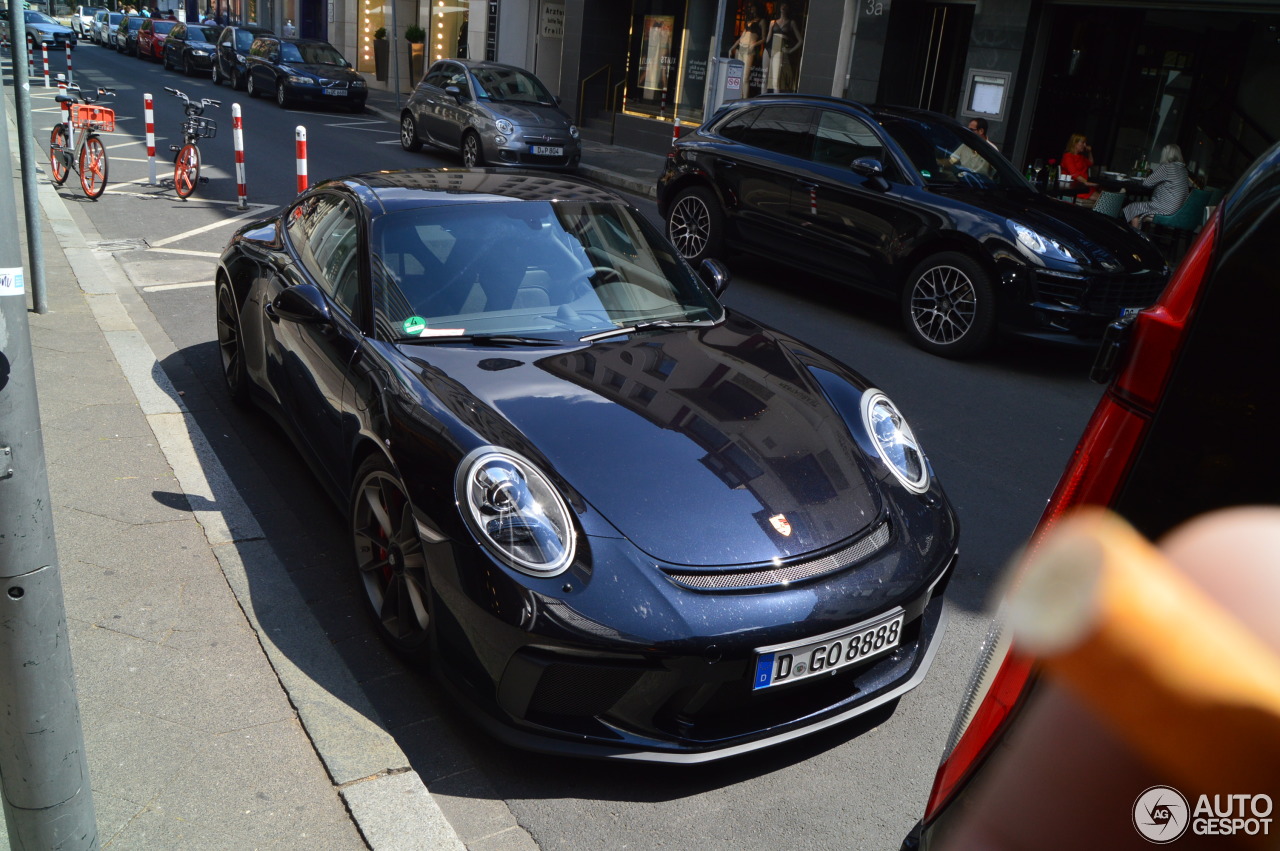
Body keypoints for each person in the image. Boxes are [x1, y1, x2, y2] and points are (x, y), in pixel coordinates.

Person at [1122, 144, 1192, 230]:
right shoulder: (1183, 170)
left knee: (1132, 207)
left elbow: (1146, 183)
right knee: (1140, 210)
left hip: (1165, 208)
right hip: (1178, 209)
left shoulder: (1166, 167)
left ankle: (1133, 238)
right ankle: (1142, 233)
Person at [728, 3, 764, 98]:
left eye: (753, 7)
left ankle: (745, 101)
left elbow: (764, 38)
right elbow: (741, 36)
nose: (751, 9)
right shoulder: (749, 21)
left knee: (745, 78)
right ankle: (738, 97)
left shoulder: (761, 21)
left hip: (749, 48)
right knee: (738, 77)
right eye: (750, 8)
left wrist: (754, 45)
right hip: (741, 47)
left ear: (757, 8)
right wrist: (733, 47)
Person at [764, 3, 802, 93]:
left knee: (775, 80)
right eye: (782, 5)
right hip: (769, 48)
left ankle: (775, 103)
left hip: (779, 50)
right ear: (779, 8)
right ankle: (762, 101)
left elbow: (800, 41)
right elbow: (767, 40)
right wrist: (770, 28)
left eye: (786, 6)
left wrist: (790, 51)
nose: (783, 7)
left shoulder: (791, 23)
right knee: (765, 78)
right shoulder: (773, 22)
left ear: (788, 8)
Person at [1060, 133, 1097, 199]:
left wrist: (1089, 152)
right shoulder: (1068, 156)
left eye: (1085, 143)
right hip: (1073, 188)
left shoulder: (1080, 157)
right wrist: (1086, 182)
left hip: (1082, 186)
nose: (1085, 145)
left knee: (1104, 198)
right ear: (1075, 143)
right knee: (1100, 200)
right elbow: (1074, 173)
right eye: (1082, 143)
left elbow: (1090, 163)